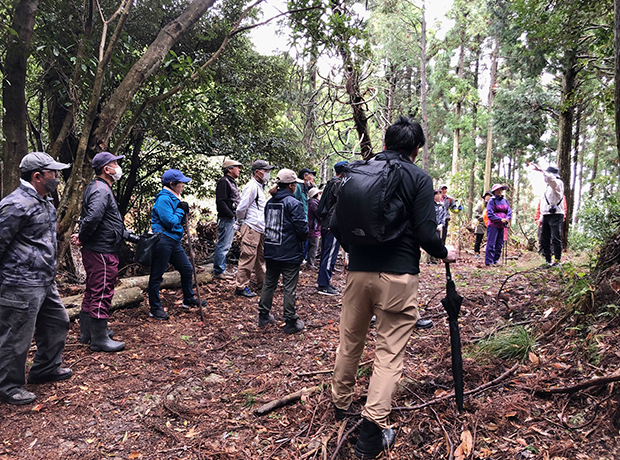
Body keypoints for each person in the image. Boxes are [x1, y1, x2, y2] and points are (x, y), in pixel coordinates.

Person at [331, 117, 456, 458]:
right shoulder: (418, 178)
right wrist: (447, 253)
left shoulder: (358, 172)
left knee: (350, 341)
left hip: (357, 273)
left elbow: (334, 223)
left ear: (384, 144)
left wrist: (357, 250)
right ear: (416, 150)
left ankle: (340, 406)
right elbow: (428, 235)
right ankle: (371, 434)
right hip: (398, 277)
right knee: (388, 353)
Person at [0, 152, 72, 405]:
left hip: (44, 280)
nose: (57, 177)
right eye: (53, 173)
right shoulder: (16, 204)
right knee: (16, 335)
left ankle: (45, 369)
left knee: (57, 322)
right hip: (20, 283)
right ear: (38, 176)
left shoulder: (44, 201)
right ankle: (8, 386)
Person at [74, 152, 140, 352]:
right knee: (102, 291)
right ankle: (99, 339)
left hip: (99, 248)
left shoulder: (98, 188)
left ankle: (88, 332)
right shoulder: (101, 190)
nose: (118, 167)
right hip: (101, 251)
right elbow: (93, 217)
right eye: (115, 164)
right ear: (106, 169)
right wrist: (83, 237)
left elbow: (101, 219)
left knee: (93, 290)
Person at [148, 169, 205, 320]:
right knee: (157, 275)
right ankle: (155, 308)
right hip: (163, 240)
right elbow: (170, 221)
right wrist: (180, 210)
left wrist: (181, 209)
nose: (183, 186)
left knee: (187, 269)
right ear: (172, 184)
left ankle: (188, 299)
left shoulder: (174, 198)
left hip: (173, 240)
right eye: (181, 183)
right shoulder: (163, 199)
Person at [258, 169, 308, 334]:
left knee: (269, 283)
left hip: (272, 250)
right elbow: (302, 229)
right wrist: (302, 241)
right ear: (292, 185)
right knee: (289, 286)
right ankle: (290, 320)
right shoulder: (294, 203)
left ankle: (263, 315)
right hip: (289, 252)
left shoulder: (270, 203)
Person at [235, 160, 275, 297]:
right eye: (266, 171)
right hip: (252, 227)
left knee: (260, 257)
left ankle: (262, 283)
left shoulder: (260, 187)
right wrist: (242, 222)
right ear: (257, 172)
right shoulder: (251, 186)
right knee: (248, 257)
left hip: (260, 228)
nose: (268, 174)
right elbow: (241, 207)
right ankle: (241, 287)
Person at [316, 161, 347, 296]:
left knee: (326, 253)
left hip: (326, 224)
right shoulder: (337, 184)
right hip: (331, 225)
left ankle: (325, 282)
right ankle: (323, 284)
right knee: (329, 255)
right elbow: (344, 201)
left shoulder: (331, 183)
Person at [213, 158, 242, 280]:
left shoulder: (230, 182)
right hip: (226, 218)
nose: (239, 170)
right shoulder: (224, 182)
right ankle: (219, 271)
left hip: (230, 218)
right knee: (223, 245)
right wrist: (231, 214)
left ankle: (221, 269)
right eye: (237, 167)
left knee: (226, 244)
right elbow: (221, 201)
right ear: (229, 169)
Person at [531, 164, 565, 266]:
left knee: (555, 238)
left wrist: (541, 170)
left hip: (556, 214)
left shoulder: (558, 183)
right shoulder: (547, 188)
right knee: (544, 238)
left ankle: (557, 261)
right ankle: (548, 260)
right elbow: (544, 204)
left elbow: (552, 180)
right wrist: (541, 217)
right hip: (546, 215)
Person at [485, 184, 511, 266]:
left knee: (499, 244)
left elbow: (509, 211)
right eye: (498, 190)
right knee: (491, 243)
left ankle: (495, 260)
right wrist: (499, 219)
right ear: (494, 191)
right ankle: (489, 261)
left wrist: (507, 218)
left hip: (502, 226)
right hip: (493, 225)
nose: (500, 191)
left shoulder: (505, 201)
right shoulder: (491, 201)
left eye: (501, 189)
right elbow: (490, 214)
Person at [306, 187, 321, 269]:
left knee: (311, 246)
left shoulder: (310, 202)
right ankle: (310, 263)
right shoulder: (314, 203)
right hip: (313, 228)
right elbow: (319, 215)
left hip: (310, 227)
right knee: (314, 246)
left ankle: (309, 262)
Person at [473, 191, 492, 257]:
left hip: (489, 224)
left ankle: (488, 253)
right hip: (481, 224)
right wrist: (483, 217)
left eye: (490, 196)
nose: (488, 197)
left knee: (490, 239)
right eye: (487, 196)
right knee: (479, 239)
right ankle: (477, 252)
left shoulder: (492, 205)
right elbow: (476, 213)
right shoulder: (480, 204)